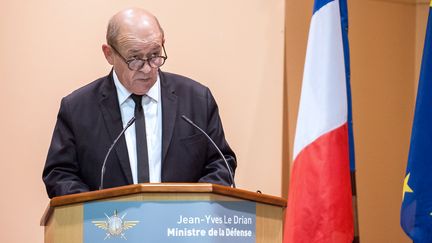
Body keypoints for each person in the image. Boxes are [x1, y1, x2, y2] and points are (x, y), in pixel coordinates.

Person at [42, 8, 236, 198]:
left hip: (182, 226)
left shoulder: (197, 100)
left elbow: (221, 164)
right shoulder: (78, 109)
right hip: (111, 226)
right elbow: (60, 174)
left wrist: (192, 209)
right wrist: (95, 211)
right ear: (109, 54)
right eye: (135, 59)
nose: (147, 69)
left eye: (155, 55)